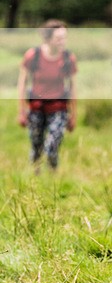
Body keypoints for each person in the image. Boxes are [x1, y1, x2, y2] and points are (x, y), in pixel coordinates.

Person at [18, 20, 77, 172]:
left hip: (58, 107)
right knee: (36, 145)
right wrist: (22, 111)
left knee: (52, 145)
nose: (62, 41)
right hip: (36, 106)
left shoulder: (68, 59)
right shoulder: (33, 55)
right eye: (58, 38)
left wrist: (73, 115)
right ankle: (35, 176)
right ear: (47, 38)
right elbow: (22, 84)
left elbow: (72, 87)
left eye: (64, 37)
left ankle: (53, 174)